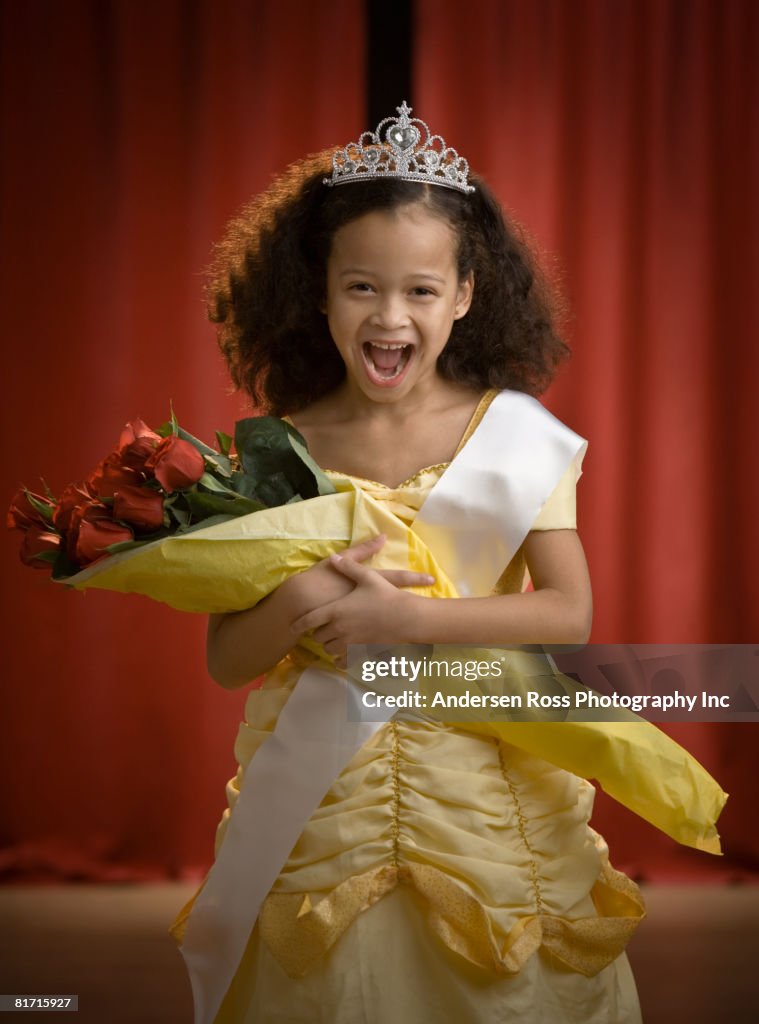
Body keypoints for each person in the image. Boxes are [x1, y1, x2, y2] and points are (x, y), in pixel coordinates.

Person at [173, 103, 644, 1024]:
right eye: (361, 288)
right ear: (318, 290)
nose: (390, 318)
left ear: (465, 294)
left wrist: (408, 622)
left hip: (480, 790)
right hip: (318, 799)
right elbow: (227, 660)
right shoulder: (276, 448)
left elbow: (566, 615)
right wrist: (306, 598)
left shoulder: (512, 437)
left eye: (421, 292)